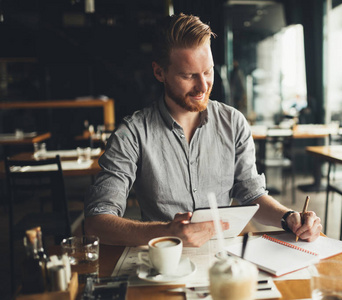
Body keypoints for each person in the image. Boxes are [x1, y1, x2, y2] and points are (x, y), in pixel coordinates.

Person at [84, 13, 322, 247]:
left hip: (223, 260)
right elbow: (96, 222)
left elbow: (251, 195)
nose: (203, 86)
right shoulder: (132, 134)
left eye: (208, 72)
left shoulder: (234, 123)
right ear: (159, 72)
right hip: (162, 264)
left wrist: (289, 217)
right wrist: (166, 231)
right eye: (188, 76)